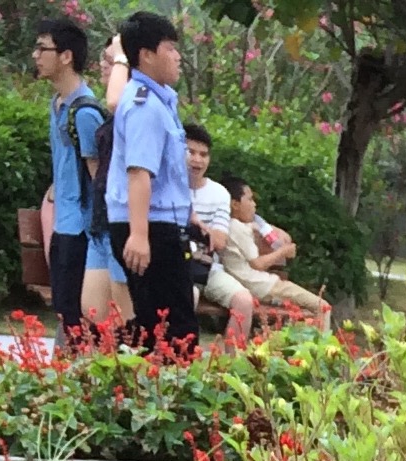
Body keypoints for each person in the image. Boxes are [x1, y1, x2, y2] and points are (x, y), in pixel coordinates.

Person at [104, 11, 196, 350]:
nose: (177, 56)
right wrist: (139, 235)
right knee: (173, 331)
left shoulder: (158, 100)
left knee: (157, 325)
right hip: (150, 228)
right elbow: (139, 173)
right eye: (170, 48)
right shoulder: (144, 105)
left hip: (158, 225)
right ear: (146, 54)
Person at [32, 17, 111, 337]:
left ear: (66, 56)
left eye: (42, 48)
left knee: (80, 319)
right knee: (66, 314)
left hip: (82, 231)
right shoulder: (57, 104)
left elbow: (98, 179)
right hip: (63, 226)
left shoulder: (85, 112)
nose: (36, 56)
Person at [220, 184, 332, 337]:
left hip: (258, 285)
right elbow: (258, 264)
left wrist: (258, 227)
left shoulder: (229, 225)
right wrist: (283, 252)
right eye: (250, 199)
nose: (254, 204)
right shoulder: (237, 228)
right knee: (323, 307)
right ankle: (320, 353)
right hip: (264, 287)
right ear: (235, 204)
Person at [184, 123, 243, 341]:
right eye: (191, 152)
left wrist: (194, 226)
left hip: (208, 267)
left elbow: (218, 242)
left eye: (203, 154)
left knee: (244, 301)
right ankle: (182, 361)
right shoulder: (167, 187)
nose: (197, 160)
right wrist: (202, 231)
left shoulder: (219, 193)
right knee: (190, 295)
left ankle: (233, 366)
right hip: (177, 267)